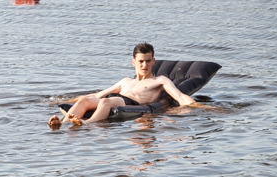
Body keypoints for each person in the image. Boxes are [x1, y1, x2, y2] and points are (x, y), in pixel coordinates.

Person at [49, 43, 201, 128]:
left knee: (106, 101)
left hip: (130, 102)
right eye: (141, 61)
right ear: (134, 62)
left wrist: (198, 107)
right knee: (85, 100)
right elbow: (97, 95)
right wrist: (61, 101)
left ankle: (86, 123)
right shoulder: (126, 81)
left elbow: (180, 97)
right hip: (114, 98)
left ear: (153, 61)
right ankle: (62, 124)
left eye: (148, 61)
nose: (144, 65)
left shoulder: (160, 80)